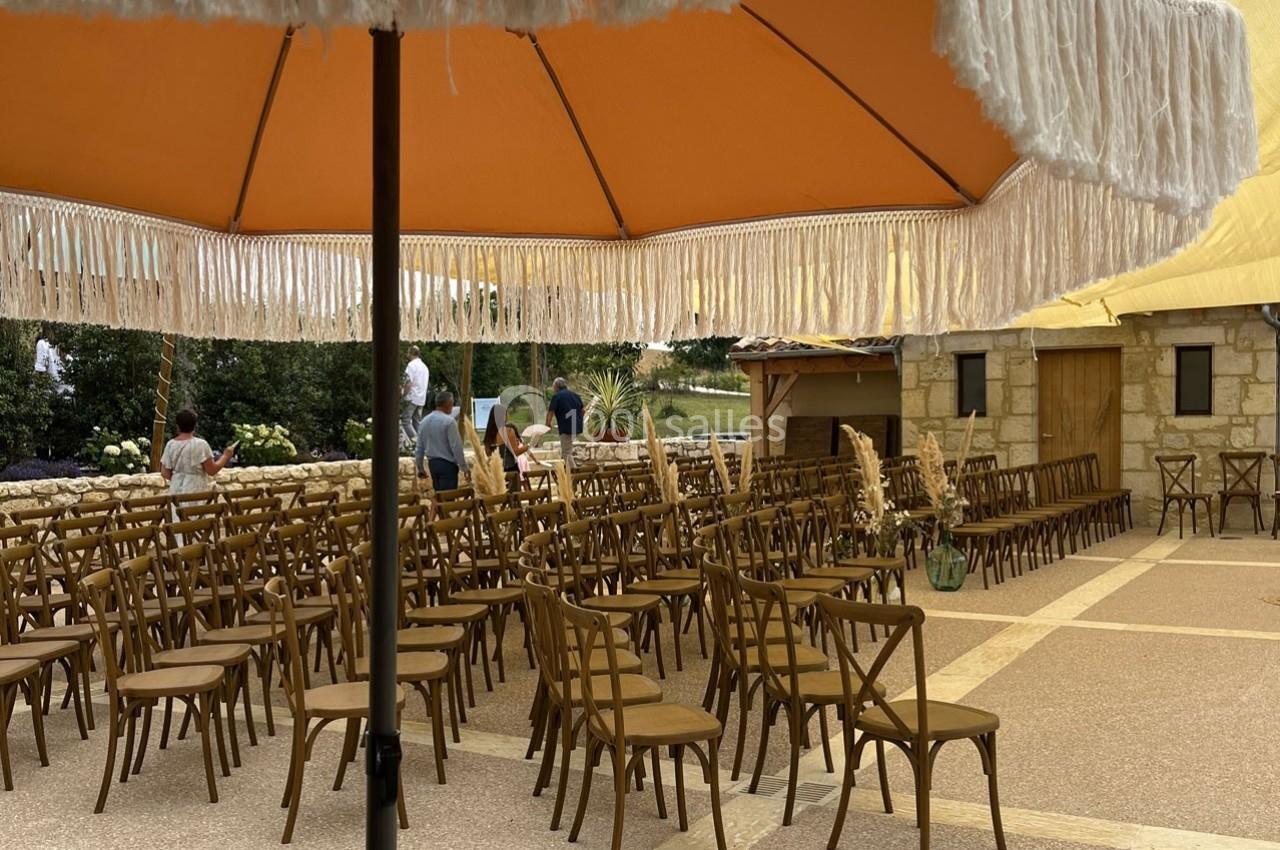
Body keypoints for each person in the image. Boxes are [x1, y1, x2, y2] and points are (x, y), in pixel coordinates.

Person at [160, 409, 235, 496]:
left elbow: (164, 473)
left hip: (175, 491)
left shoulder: (170, 445)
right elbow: (212, 470)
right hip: (196, 490)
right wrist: (225, 456)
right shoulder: (201, 444)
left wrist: (179, 477)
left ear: (178, 426)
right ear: (195, 425)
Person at [416, 391, 469, 491]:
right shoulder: (449, 422)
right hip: (447, 465)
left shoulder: (423, 422)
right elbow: (456, 447)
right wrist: (464, 467)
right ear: (448, 403)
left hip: (433, 465)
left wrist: (420, 468)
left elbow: (419, 448)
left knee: (439, 496)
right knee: (448, 501)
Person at [483, 402, 529, 489]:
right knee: (515, 498)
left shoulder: (489, 435)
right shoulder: (508, 431)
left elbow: (488, 454)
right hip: (511, 471)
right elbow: (516, 452)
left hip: (496, 472)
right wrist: (527, 447)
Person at [545, 376, 585, 469]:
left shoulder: (557, 396)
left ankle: (575, 474)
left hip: (566, 427)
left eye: (553, 387)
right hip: (576, 427)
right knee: (568, 450)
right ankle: (570, 472)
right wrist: (578, 420)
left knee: (566, 453)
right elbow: (583, 410)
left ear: (556, 387)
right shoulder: (575, 395)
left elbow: (550, 412)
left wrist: (548, 424)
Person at [400, 345, 430, 446]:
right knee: (417, 422)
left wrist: (403, 395)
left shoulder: (411, 365)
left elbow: (408, 383)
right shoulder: (425, 367)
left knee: (405, 421)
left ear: (410, 354)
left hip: (411, 397)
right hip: (421, 398)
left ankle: (417, 444)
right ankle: (424, 444)